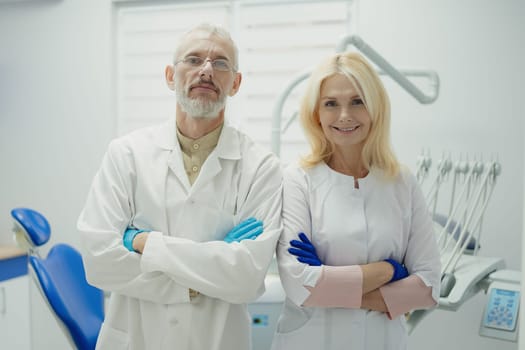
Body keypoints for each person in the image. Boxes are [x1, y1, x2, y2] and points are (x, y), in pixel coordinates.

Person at [77, 23, 283, 350]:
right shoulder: (126, 154)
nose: (206, 70)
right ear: (171, 76)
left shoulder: (261, 167)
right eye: (193, 59)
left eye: (220, 63)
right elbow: (99, 261)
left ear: (236, 83)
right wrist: (200, 281)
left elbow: (246, 279)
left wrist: (145, 243)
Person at [271, 52, 441, 350]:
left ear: (376, 108)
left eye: (357, 101)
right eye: (331, 104)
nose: (344, 115)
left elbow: (428, 288)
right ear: (316, 114)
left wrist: (327, 286)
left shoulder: (402, 182)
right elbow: (299, 284)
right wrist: (388, 272)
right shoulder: (298, 179)